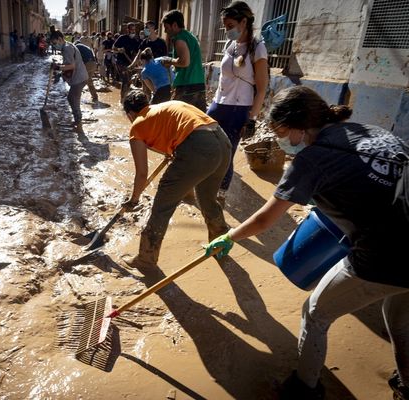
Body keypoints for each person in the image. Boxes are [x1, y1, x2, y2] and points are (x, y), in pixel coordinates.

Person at [204, 85, 409, 400]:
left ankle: (304, 390)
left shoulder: (311, 160)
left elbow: (264, 220)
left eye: (280, 132)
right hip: (401, 239)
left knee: (316, 313)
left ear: (298, 128)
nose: (279, 142)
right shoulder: (365, 130)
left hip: (387, 253)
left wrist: (228, 236)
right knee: (399, 316)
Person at [121, 89, 231, 278]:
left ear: (130, 113)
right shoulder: (165, 107)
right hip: (222, 141)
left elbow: (142, 173)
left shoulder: (137, 125)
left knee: (163, 205)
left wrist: (134, 199)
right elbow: (181, 131)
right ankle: (219, 244)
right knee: (207, 198)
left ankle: (146, 259)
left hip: (199, 147)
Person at [208, 1, 269, 205]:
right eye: (225, 26)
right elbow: (224, 80)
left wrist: (252, 119)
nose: (228, 31)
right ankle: (205, 183)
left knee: (227, 152)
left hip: (238, 109)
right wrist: (213, 105)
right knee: (205, 143)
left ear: (244, 22)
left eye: (230, 25)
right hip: (218, 104)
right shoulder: (230, 45)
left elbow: (261, 89)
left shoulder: (258, 49)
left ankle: (220, 196)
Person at [161, 10, 207, 111]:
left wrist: (169, 61)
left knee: (175, 117)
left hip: (187, 86)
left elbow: (184, 62)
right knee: (198, 122)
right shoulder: (190, 36)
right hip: (198, 85)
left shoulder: (179, 38)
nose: (165, 31)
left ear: (174, 25)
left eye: (166, 27)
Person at [50, 30, 88, 134]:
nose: (54, 46)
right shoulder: (67, 46)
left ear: (60, 39)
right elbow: (68, 64)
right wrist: (59, 71)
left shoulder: (67, 48)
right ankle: (77, 122)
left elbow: (71, 66)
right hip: (80, 77)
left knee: (73, 99)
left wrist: (57, 67)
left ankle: (79, 127)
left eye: (54, 43)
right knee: (72, 98)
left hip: (79, 78)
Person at [113, 23, 140, 100]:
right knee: (126, 80)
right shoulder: (122, 38)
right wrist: (119, 49)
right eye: (131, 29)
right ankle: (122, 100)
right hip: (121, 62)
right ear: (127, 30)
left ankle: (127, 98)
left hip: (130, 62)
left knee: (130, 81)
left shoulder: (136, 40)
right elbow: (114, 48)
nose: (133, 31)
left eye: (134, 30)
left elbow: (137, 52)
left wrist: (136, 62)